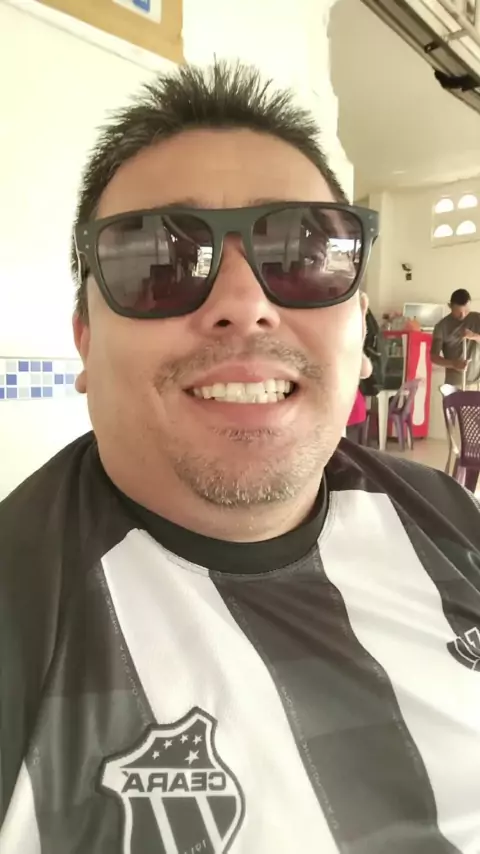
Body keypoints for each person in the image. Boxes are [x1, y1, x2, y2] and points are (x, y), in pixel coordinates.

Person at [1, 62, 480, 854]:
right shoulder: (22, 618)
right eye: (156, 262)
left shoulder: (452, 519)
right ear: (85, 339)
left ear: (359, 326)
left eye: (305, 254)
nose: (244, 304)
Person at [430, 288, 480, 389]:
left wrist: (473, 336)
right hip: (455, 384)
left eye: (466, 310)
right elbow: (434, 357)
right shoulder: (441, 326)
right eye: (458, 312)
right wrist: (453, 364)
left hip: (478, 382)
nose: (463, 315)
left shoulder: (478, 319)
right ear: (450, 306)